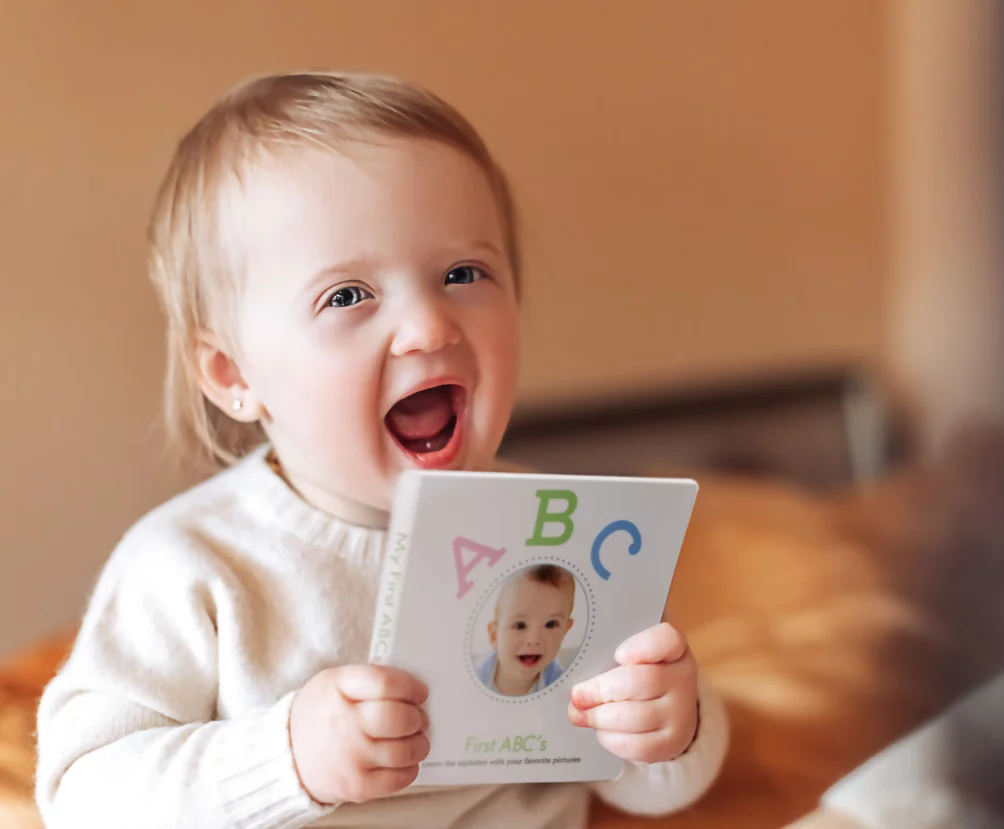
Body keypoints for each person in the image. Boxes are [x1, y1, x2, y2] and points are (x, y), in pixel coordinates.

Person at [35, 71, 728, 827]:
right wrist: (286, 756)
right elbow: (83, 797)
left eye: (464, 273)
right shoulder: (193, 565)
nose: (430, 326)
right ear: (234, 373)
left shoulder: (551, 528)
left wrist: (671, 723)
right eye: (347, 295)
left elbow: (648, 785)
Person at [476, 564, 575, 696]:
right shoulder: (475, 678)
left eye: (551, 624)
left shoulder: (561, 685)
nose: (534, 640)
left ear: (565, 631)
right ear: (494, 636)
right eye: (520, 625)